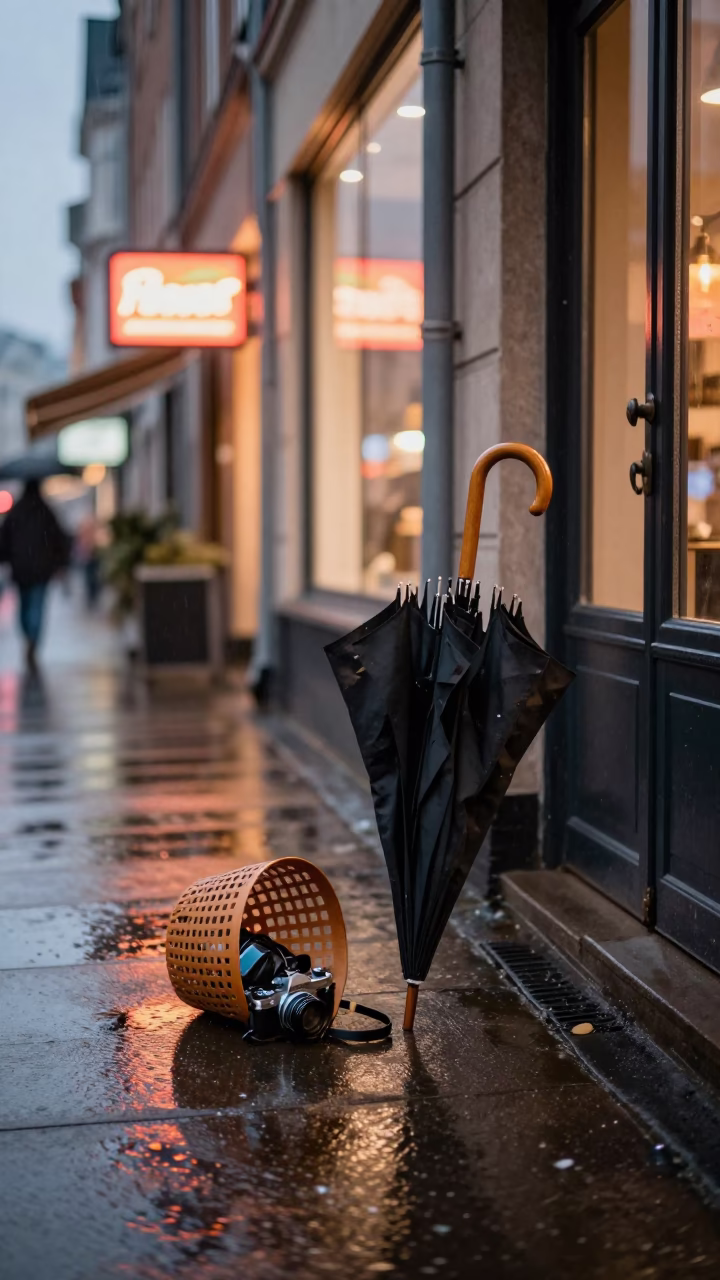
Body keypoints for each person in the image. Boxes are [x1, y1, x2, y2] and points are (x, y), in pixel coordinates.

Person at [0, 480, 71, 670]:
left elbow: (4, 539)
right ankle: (33, 637)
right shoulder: (46, 512)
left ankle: (28, 635)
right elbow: (59, 539)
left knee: (24, 606)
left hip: (21, 569)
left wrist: (6, 559)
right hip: (41, 569)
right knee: (37, 605)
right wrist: (60, 563)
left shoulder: (15, 512)